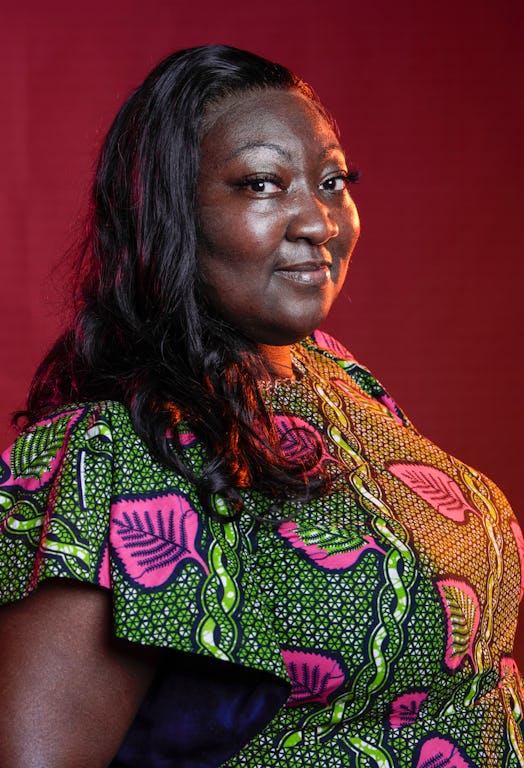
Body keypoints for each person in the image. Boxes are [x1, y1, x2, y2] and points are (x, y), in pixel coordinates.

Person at [0, 44, 522, 768]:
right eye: (262, 185)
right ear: (171, 214)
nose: (319, 220)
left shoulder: (338, 381)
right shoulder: (112, 451)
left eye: (333, 180)